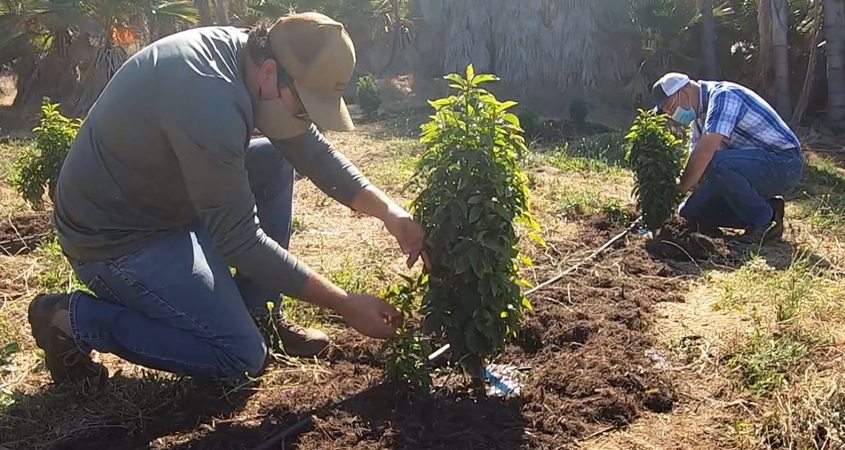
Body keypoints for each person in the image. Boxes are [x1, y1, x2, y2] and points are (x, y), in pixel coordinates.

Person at [27, 13, 429, 384]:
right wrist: (344, 303)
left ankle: (260, 312)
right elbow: (239, 241)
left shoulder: (254, 56)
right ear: (271, 74)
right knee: (239, 355)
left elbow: (310, 151)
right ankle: (73, 320)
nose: (305, 123)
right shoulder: (209, 101)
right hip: (116, 238)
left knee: (273, 160)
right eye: (305, 109)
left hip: (166, 201)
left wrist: (388, 212)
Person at [652, 72, 804, 244]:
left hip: (784, 163)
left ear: (685, 92)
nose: (673, 115)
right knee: (689, 212)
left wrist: (675, 193)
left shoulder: (723, 96)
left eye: (671, 108)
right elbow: (696, 168)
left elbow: (704, 155)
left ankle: (764, 221)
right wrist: (672, 199)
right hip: (750, 170)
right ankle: (768, 209)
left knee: (716, 162)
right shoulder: (699, 121)